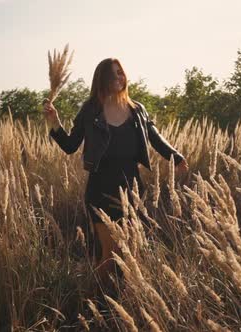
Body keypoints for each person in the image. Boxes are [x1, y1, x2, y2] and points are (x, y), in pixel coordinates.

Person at [43, 58, 189, 286]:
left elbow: (155, 137)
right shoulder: (90, 110)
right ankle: (90, 299)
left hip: (132, 187)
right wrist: (54, 123)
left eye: (121, 73)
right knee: (110, 255)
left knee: (130, 251)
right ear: (102, 79)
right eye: (113, 74)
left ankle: (123, 298)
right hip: (101, 188)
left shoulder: (137, 109)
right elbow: (70, 145)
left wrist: (175, 156)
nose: (119, 77)